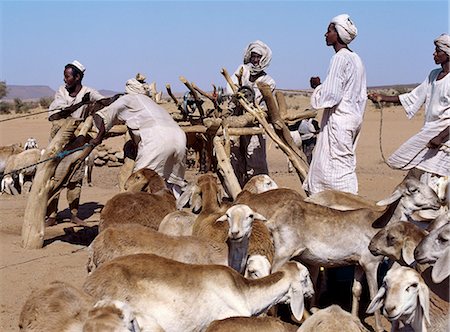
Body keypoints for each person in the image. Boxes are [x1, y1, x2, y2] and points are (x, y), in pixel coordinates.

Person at [368, 33, 450, 192]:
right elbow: (414, 97)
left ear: (447, 53)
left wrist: (440, 137)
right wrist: (382, 98)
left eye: (437, 50)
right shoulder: (433, 75)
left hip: (445, 138)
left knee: (437, 183)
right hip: (430, 133)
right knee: (422, 177)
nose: (434, 54)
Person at [90, 77, 187, 197]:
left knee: (140, 181)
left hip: (156, 138)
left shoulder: (128, 98)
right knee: (170, 182)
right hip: (179, 137)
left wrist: (98, 137)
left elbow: (104, 116)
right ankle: (172, 210)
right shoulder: (150, 102)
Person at [303, 14, 367, 195]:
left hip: (339, 122)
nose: (325, 34)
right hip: (352, 119)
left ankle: (346, 203)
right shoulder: (356, 59)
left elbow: (331, 96)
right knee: (341, 163)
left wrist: (317, 88)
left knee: (338, 168)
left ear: (338, 34)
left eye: (329, 30)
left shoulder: (339, 58)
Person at [46, 60, 105, 227]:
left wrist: (98, 104)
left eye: (68, 76)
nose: (65, 79)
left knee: (75, 176)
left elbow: (104, 102)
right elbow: (58, 114)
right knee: (53, 175)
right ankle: (52, 214)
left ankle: (73, 214)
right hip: (58, 139)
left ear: (78, 77)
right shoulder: (61, 92)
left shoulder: (89, 92)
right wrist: (82, 103)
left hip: (78, 138)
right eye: (65, 76)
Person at [227, 40, 276, 187]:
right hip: (236, 120)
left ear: (264, 59)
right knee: (234, 157)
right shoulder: (242, 71)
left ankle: (260, 193)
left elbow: (264, 106)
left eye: (258, 57)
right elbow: (231, 90)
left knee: (255, 158)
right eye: (253, 56)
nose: (255, 60)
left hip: (255, 124)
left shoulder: (268, 81)